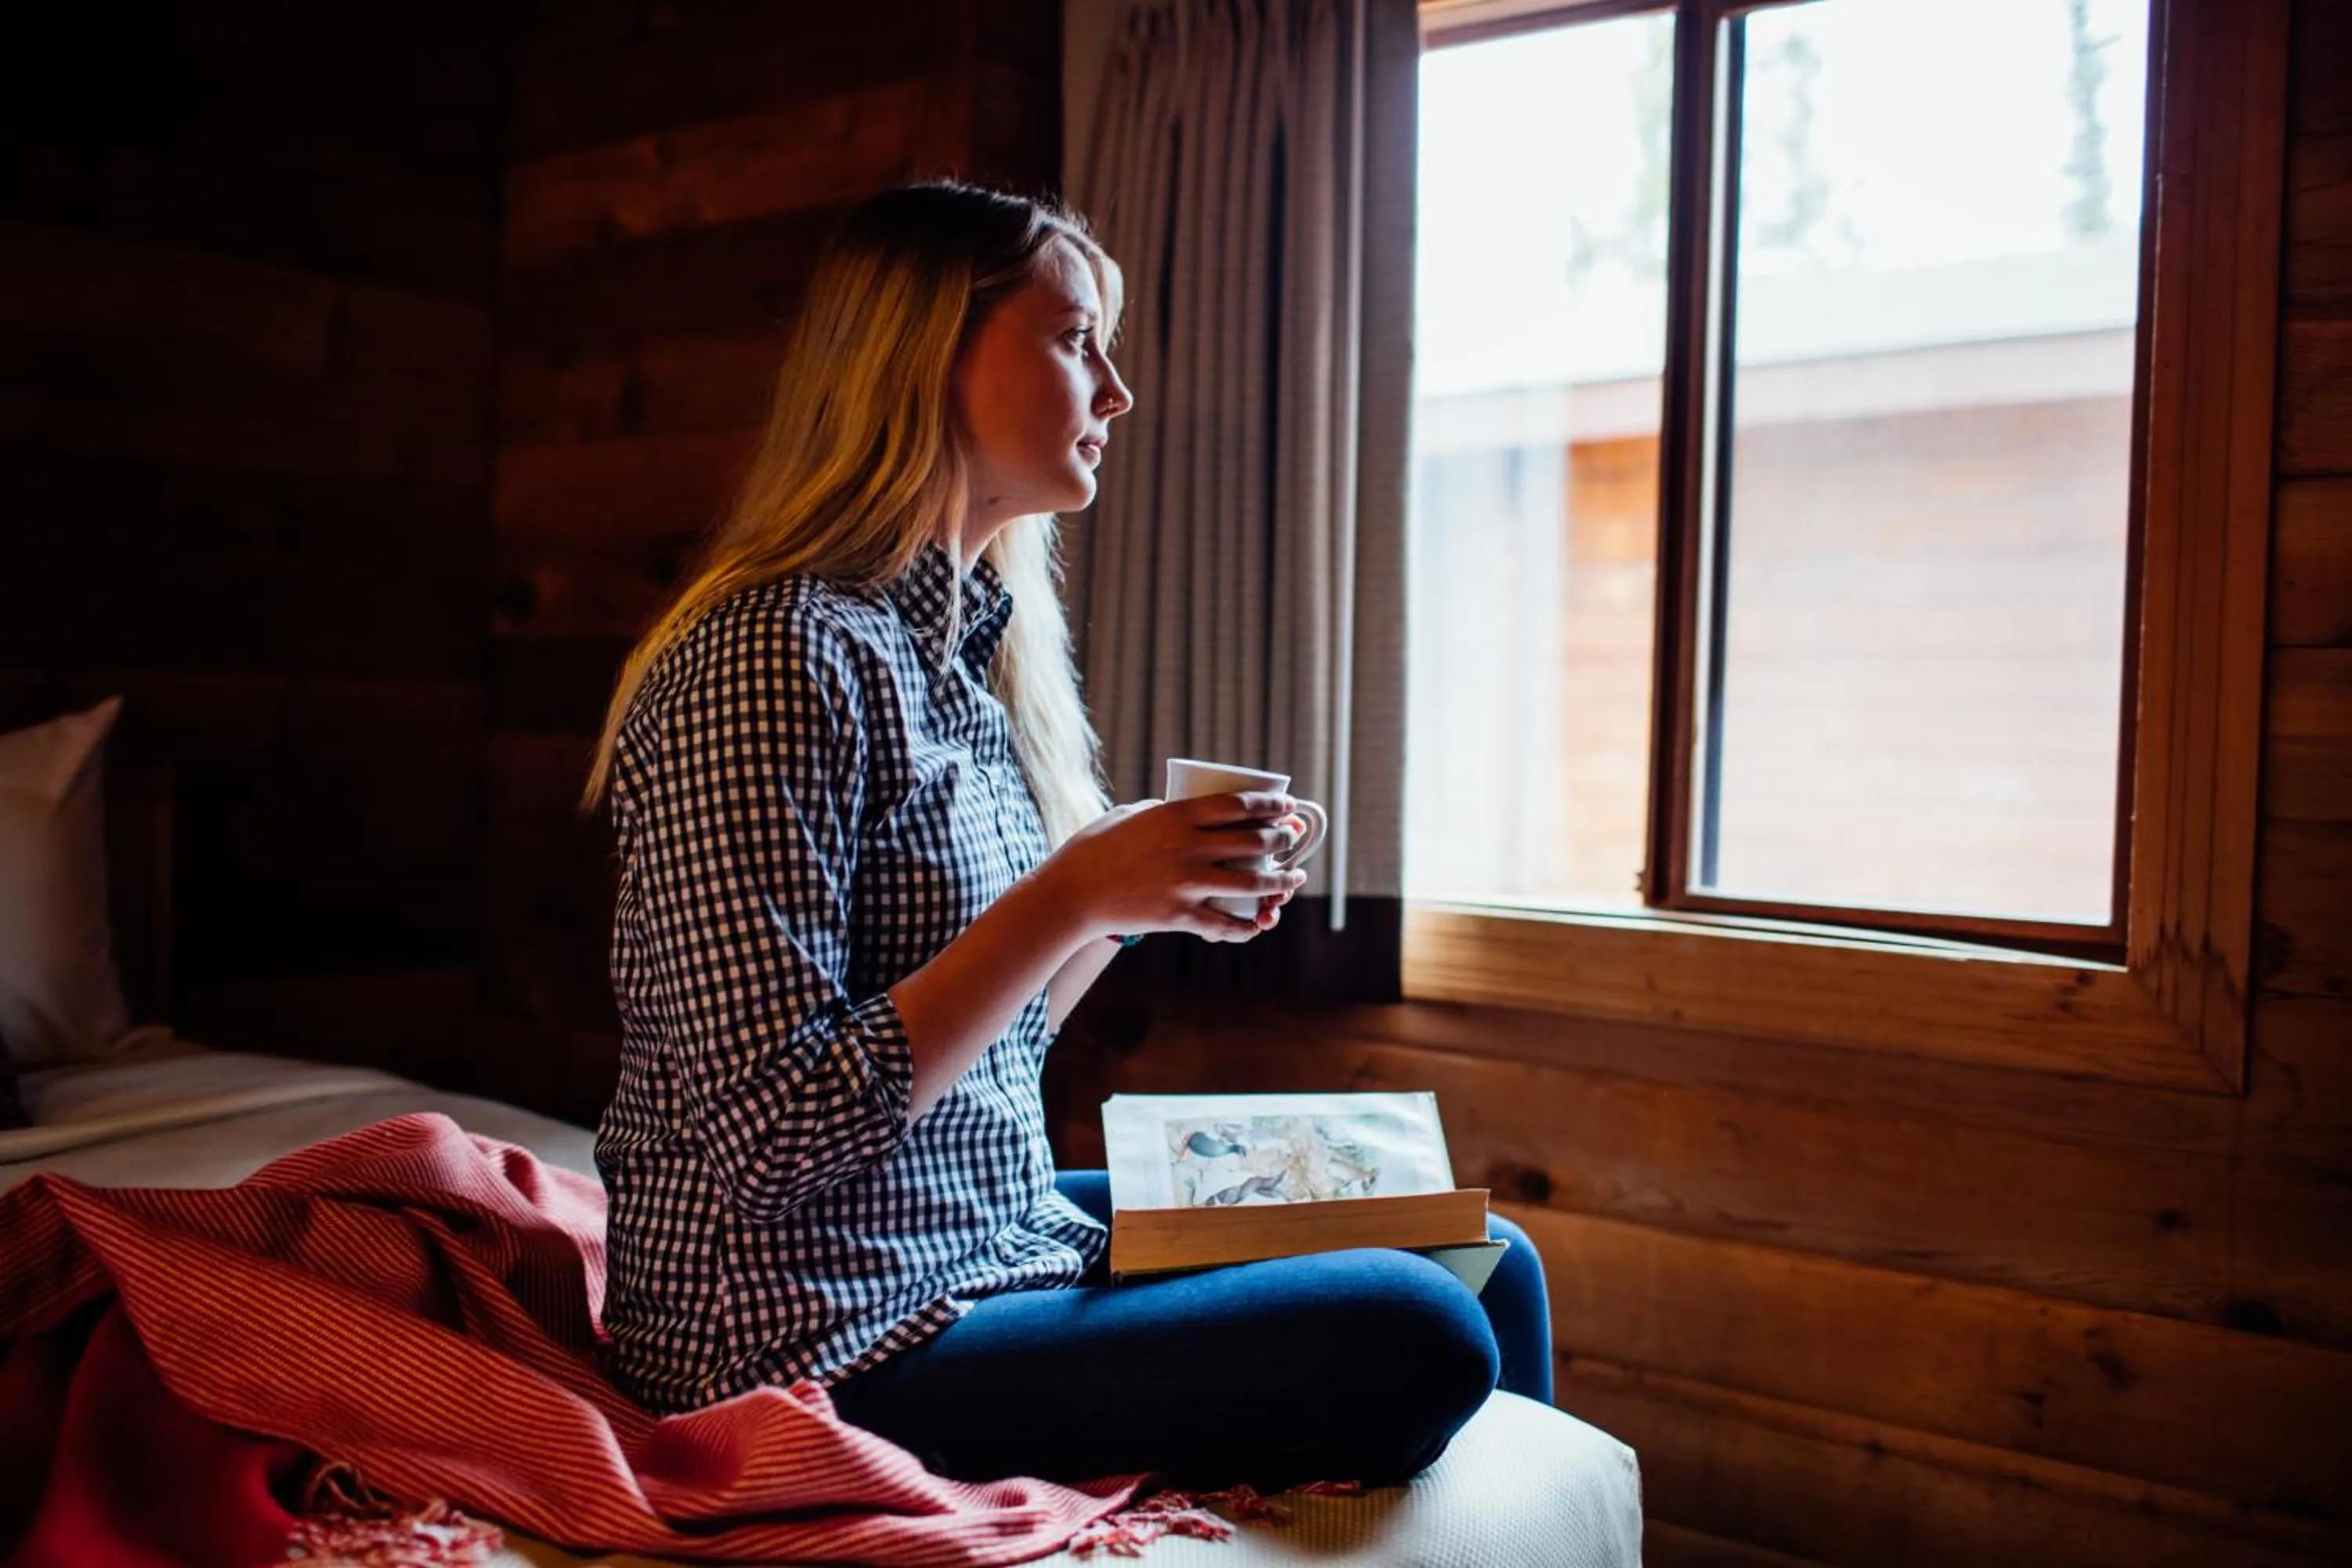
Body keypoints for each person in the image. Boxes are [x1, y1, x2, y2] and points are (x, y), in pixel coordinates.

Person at [579, 181, 1551, 1491]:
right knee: (1418, 1325)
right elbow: (773, 1134)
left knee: (1488, 1257)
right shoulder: (769, 657)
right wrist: (1074, 891)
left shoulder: (961, 665)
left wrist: (1134, 901)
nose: (1117, 391)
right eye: (1076, 340)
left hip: (974, 1239)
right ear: (928, 351)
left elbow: (987, 1051)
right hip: (813, 1332)